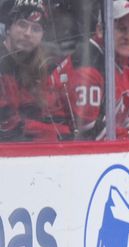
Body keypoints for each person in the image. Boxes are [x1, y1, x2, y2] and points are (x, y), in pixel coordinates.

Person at [47, 0, 129, 140]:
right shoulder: (87, 68)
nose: (128, 36)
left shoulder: (122, 65)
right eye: (121, 29)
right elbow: (88, 134)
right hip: (52, 148)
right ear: (100, 30)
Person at [0, 0, 67, 141]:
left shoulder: (47, 67)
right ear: (8, 28)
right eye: (22, 25)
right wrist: (48, 133)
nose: (28, 34)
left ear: (43, 35)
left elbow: (58, 119)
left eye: (36, 29)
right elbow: (6, 126)